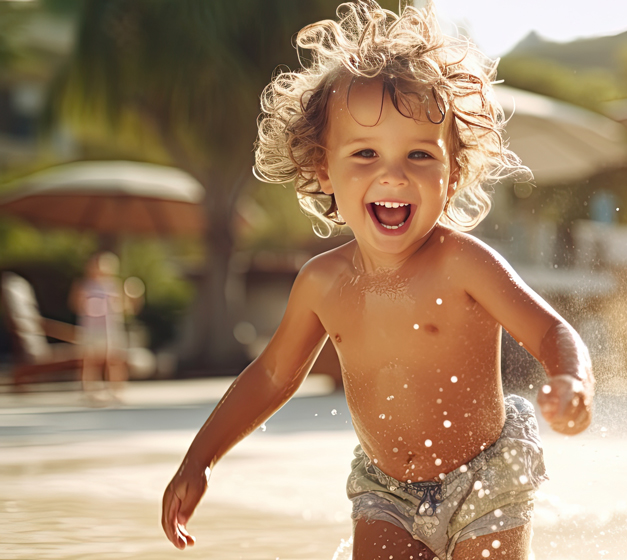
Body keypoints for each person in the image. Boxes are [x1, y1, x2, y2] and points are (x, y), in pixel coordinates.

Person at [161, 2, 594, 559]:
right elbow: (272, 374)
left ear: (452, 173)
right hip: (385, 490)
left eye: (419, 154)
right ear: (324, 169)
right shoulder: (323, 283)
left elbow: (551, 331)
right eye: (365, 153)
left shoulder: (464, 264)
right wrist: (200, 459)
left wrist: (572, 379)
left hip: (487, 480)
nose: (393, 173)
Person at [70, 251, 129, 404]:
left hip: (110, 327)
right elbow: (76, 304)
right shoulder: (84, 285)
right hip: (91, 327)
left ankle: (117, 389)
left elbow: (122, 307)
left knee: (114, 359)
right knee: (90, 359)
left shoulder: (114, 285)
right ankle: (89, 389)